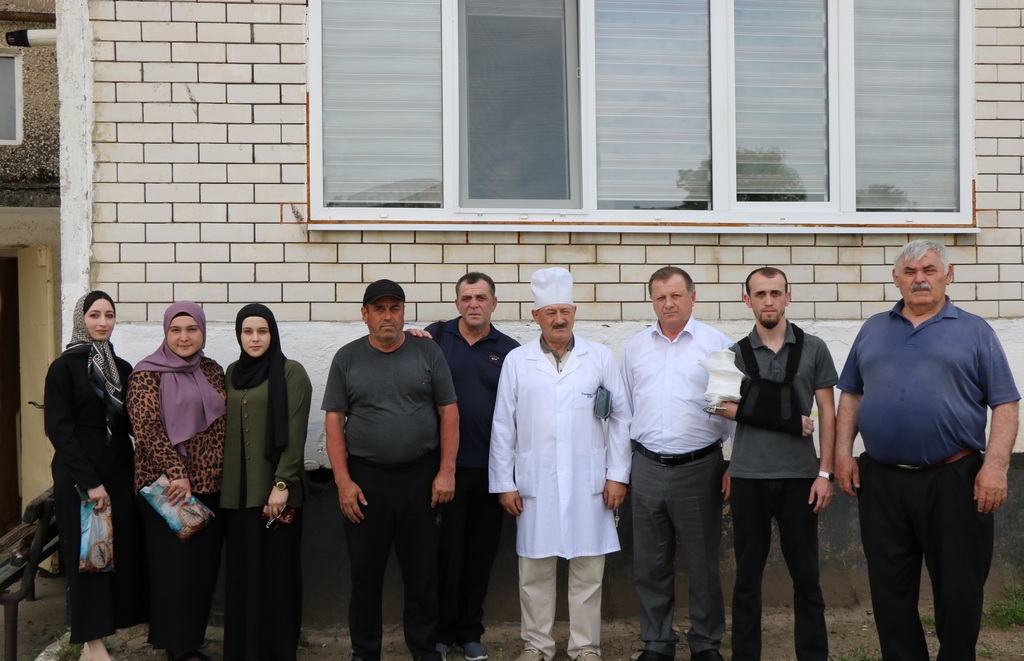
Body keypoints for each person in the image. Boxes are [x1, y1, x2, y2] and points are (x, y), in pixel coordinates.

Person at [835, 239, 1020, 661]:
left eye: (929, 270)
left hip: (954, 478)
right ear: (896, 279)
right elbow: (851, 395)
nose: (920, 279)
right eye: (910, 271)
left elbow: (1005, 403)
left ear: (948, 275)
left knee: (959, 588)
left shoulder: (975, 331)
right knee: (889, 589)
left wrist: (995, 467)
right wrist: (842, 454)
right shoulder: (873, 329)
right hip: (881, 480)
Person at [490, 267, 631, 661]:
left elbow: (621, 418)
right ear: (535, 316)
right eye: (550, 312)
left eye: (565, 311)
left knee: (588, 569)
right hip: (535, 482)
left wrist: (618, 475)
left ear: (574, 312)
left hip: (590, 481)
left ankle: (585, 646)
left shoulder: (599, 357)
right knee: (535, 570)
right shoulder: (517, 361)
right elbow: (503, 425)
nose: (559, 319)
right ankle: (537, 645)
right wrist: (504, 482)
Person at [323, 279, 458, 661]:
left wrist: (446, 471)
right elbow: (334, 422)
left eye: (394, 308)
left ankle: (424, 649)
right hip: (366, 481)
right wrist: (343, 482)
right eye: (379, 309)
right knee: (365, 575)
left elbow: (449, 413)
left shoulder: (427, 353)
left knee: (422, 573)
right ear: (364, 315)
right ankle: (365, 651)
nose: (387, 316)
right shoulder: (347, 358)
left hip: (421, 478)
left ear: (403, 312)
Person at [710, 267, 837, 661]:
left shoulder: (814, 348)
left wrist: (825, 473)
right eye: (760, 294)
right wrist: (785, 420)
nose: (769, 301)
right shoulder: (734, 354)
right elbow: (720, 406)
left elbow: (828, 413)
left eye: (776, 293)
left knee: (807, 577)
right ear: (747, 300)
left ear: (788, 297)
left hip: (801, 477)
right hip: (749, 478)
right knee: (747, 578)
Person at [620, 266, 732, 661]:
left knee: (702, 563)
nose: (668, 304)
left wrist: (733, 465)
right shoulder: (636, 347)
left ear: (693, 297)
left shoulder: (717, 344)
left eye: (676, 295)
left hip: (700, 468)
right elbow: (625, 410)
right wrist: (622, 470)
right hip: (647, 467)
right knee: (650, 563)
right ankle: (657, 642)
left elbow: (735, 407)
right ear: (652, 301)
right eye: (660, 297)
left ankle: (705, 642)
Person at [44, 291, 148, 661]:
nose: (103, 322)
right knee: (88, 555)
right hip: (80, 477)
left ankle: (104, 634)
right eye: (94, 315)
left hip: (119, 472)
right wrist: (89, 482)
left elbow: (134, 423)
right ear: (81, 319)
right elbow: (59, 430)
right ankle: (93, 644)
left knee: (116, 553)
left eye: (109, 315)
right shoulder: (63, 369)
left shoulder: (122, 367)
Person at [425, 273, 519, 661]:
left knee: (480, 554)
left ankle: (470, 631)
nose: (474, 304)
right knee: (444, 554)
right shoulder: (435, 337)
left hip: (490, 469)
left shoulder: (510, 351)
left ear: (494, 303)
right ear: (457, 303)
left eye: (481, 297)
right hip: (443, 469)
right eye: (466, 298)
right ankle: (441, 632)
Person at [127, 301, 227, 661]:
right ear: (166, 333)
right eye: (176, 330)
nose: (184, 337)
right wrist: (178, 473)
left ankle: (190, 641)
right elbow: (147, 430)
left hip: (210, 486)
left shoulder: (212, 370)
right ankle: (178, 648)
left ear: (202, 331)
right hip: (167, 490)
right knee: (176, 572)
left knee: (202, 571)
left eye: (192, 329)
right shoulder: (145, 375)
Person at [221, 304, 313, 661]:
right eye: (248, 332)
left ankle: (278, 651)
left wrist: (282, 483)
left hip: (276, 494)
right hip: (237, 495)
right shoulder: (232, 372)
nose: (255, 339)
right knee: (243, 576)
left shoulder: (292, 372)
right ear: (239, 335)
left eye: (262, 331)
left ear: (272, 334)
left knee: (277, 575)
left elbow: (296, 432)